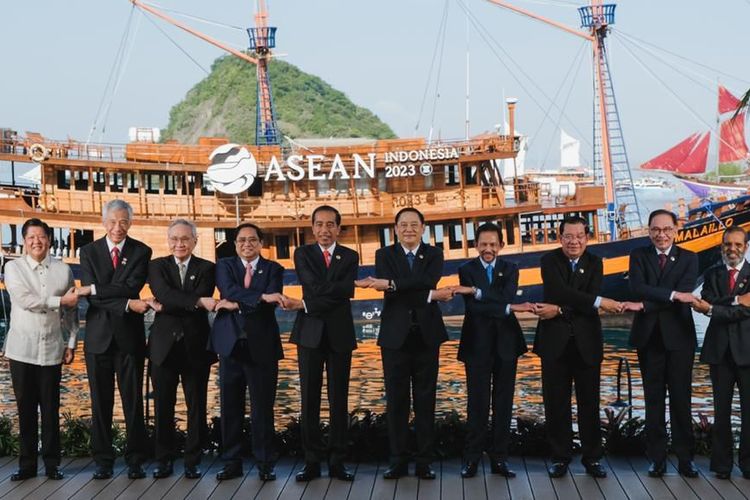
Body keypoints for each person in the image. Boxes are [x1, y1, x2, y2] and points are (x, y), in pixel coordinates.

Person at [362, 207, 453, 480]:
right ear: (396, 229)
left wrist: (391, 283)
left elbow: (427, 280)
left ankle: (425, 461)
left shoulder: (435, 254)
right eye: (404, 224)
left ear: (423, 227)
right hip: (394, 337)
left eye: (414, 224)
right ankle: (397, 460)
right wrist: (429, 295)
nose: (409, 229)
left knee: (426, 400)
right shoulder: (384, 254)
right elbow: (420, 289)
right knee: (397, 401)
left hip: (427, 336)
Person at [533, 215, 621, 479]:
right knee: (556, 403)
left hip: (587, 342)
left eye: (579, 236)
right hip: (554, 343)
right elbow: (559, 291)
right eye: (568, 236)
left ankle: (592, 458)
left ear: (587, 237)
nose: (574, 241)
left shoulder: (595, 262)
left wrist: (560, 309)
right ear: (560, 238)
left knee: (589, 403)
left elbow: (574, 301)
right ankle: (560, 457)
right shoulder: (548, 261)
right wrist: (598, 301)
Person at [76, 199, 152, 480]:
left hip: (129, 338)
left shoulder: (142, 251)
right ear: (103, 222)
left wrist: (94, 287)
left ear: (130, 222)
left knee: (133, 402)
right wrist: (123, 302)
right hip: (97, 339)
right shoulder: (88, 251)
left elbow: (131, 287)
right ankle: (103, 461)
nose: (117, 227)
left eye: (123, 221)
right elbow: (98, 298)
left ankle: (135, 459)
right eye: (112, 221)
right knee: (100, 402)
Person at [451, 222, 534, 479]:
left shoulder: (511, 268)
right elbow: (475, 308)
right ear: (476, 245)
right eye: (483, 244)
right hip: (476, 344)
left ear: (500, 245)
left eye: (492, 244)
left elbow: (504, 296)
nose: (488, 249)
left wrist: (476, 291)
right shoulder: (466, 269)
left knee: (503, 403)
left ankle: (500, 459)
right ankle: (472, 459)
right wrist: (507, 307)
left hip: (507, 344)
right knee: (477, 403)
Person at [622, 209, 699, 478]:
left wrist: (645, 304)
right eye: (655, 229)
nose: (661, 234)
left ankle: (686, 459)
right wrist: (674, 295)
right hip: (650, 338)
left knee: (681, 399)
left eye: (666, 229)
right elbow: (636, 288)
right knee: (653, 401)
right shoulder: (638, 255)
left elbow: (685, 291)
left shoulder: (690, 258)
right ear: (649, 230)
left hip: (680, 339)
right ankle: (656, 459)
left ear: (676, 230)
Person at [284, 206, 358, 482]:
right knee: (309, 400)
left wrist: (305, 303)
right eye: (319, 225)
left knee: (339, 400)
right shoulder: (302, 253)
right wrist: (338, 289)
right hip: (309, 335)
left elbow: (339, 291)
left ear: (339, 228)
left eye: (330, 225)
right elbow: (318, 287)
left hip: (340, 335)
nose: (324, 230)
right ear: (312, 228)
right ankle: (311, 462)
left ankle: (338, 461)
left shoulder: (350, 255)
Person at [2, 218, 78, 481]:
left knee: (50, 408)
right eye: (31, 237)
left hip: (52, 347)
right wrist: (60, 300)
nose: (37, 241)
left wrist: (71, 342)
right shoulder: (13, 268)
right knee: (25, 408)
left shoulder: (63, 269)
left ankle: (52, 464)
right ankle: (26, 466)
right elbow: (24, 301)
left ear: (49, 239)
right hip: (22, 348)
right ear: (25, 241)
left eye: (41, 236)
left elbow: (71, 310)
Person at [211, 222, 285, 481]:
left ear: (260, 243)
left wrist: (238, 304)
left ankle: (265, 463)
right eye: (242, 240)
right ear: (235, 244)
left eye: (252, 240)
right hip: (230, 345)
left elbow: (271, 302)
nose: (247, 244)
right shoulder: (225, 266)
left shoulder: (275, 268)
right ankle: (231, 462)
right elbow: (228, 290)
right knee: (230, 407)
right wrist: (261, 297)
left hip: (262, 347)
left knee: (262, 408)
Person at [146, 219, 217, 480]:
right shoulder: (156, 266)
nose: (180, 243)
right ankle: (163, 460)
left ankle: (192, 460)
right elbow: (162, 293)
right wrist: (197, 301)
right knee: (163, 406)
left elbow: (167, 300)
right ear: (168, 240)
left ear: (195, 241)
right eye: (175, 238)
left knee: (196, 406)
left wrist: (170, 302)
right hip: (163, 347)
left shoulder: (208, 268)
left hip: (196, 346)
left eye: (185, 239)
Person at [691, 226, 750, 480]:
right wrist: (738, 301)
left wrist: (716, 308)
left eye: (737, 244)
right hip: (719, 353)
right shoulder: (712, 273)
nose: (732, 249)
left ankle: (748, 465)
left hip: (747, 352)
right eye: (728, 244)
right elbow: (706, 304)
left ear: (746, 247)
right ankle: (722, 466)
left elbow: (716, 307)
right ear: (721, 246)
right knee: (721, 410)